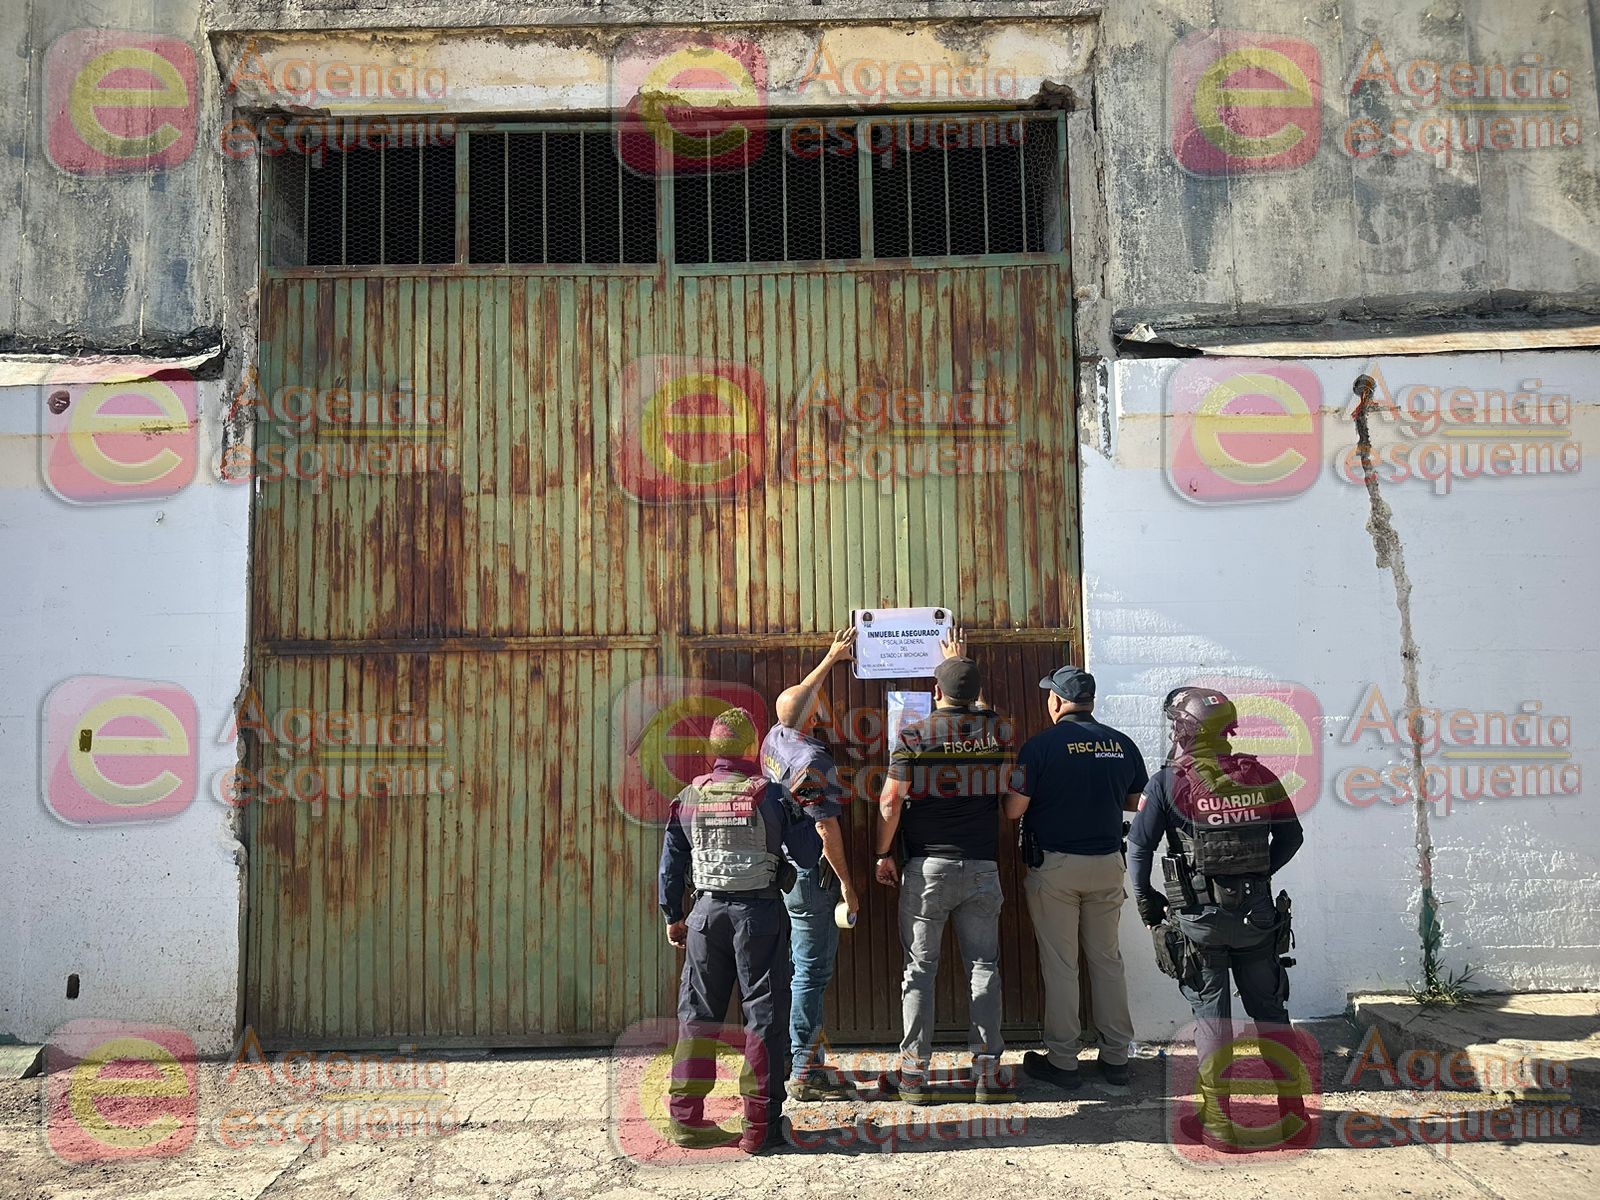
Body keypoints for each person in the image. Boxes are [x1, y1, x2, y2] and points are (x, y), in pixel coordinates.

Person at [1126, 686, 1307, 1147]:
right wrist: (1259, 874)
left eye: (1175, 725)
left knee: (1212, 1019)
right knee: (1270, 1012)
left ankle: (1220, 1124)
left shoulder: (1167, 781)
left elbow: (1140, 846)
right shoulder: (1259, 772)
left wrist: (1146, 897)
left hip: (1199, 919)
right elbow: (1291, 838)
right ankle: (1294, 1115)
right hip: (1256, 917)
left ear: (1185, 730)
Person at [658, 708, 822, 1154]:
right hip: (759, 919)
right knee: (764, 1017)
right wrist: (803, 808)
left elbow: (671, 864)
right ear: (752, 748)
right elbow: (808, 855)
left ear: (714, 751)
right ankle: (760, 1127)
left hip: (705, 918)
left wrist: (674, 916)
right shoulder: (771, 795)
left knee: (697, 1015)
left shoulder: (689, 796)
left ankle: (687, 1121)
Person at [874, 632, 1014, 1104]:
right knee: (983, 966)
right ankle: (988, 1075)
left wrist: (882, 853)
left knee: (920, 971)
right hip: (982, 867)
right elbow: (984, 721)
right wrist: (961, 666)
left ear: (936, 693)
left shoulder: (914, 735)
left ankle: (913, 1077)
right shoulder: (997, 731)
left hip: (928, 868)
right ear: (976, 695)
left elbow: (891, 801)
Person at [1004, 665, 1147, 1090]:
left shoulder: (1039, 747)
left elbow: (1013, 809)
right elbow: (1136, 802)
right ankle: (1117, 1057)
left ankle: (1064, 1061)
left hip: (1057, 869)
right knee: (1107, 960)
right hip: (1107, 863)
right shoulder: (1122, 744)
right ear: (1091, 701)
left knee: (1062, 965)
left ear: (1057, 701)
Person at [759, 627, 863, 1102]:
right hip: (810, 874)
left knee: (788, 967)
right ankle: (805, 1070)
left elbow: (797, 702)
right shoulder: (813, 760)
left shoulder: (774, 739)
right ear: (814, 718)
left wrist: (829, 659)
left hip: (780, 870)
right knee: (811, 972)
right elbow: (827, 829)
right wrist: (848, 885)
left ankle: (783, 1055)